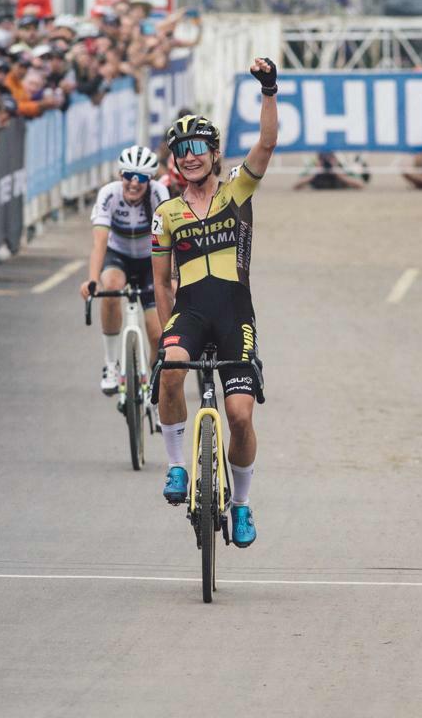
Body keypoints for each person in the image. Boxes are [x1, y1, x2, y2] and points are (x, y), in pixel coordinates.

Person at [150, 58, 279, 549]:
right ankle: (178, 466)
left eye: (198, 147)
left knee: (241, 416)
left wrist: (268, 89)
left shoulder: (236, 192)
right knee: (171, 368)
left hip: (234, 313)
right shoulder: (166, 213)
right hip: (191, 311)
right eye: (181, 150)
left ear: (214, 153)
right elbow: (162, 284)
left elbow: (266, 143)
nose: (190, 156)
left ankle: (242, 505)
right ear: (174, 160)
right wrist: (167, 333)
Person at [79, 145, 169, 394]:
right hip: (117, 255)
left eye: (140, 178)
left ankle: (156, 384)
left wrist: (172, 277)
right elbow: (99, 243)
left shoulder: (159, 194)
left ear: (149, 180)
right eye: (128, 175)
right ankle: (110, 363)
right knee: (110, 287)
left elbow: (172, 240)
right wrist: (92, 280)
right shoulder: (109, 194)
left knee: (156, 333)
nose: (133, 183)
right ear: (120, 176)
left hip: (150, 260)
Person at [293, 150, 366, 190]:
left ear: (335, 159)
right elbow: (296, 185)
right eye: (323, 159)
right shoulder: (313, 167)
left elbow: (360, 184)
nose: (326, 162)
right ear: (318, 159)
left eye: (329, 158)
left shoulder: (341, 166)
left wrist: (339, 174)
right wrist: (315, 173)